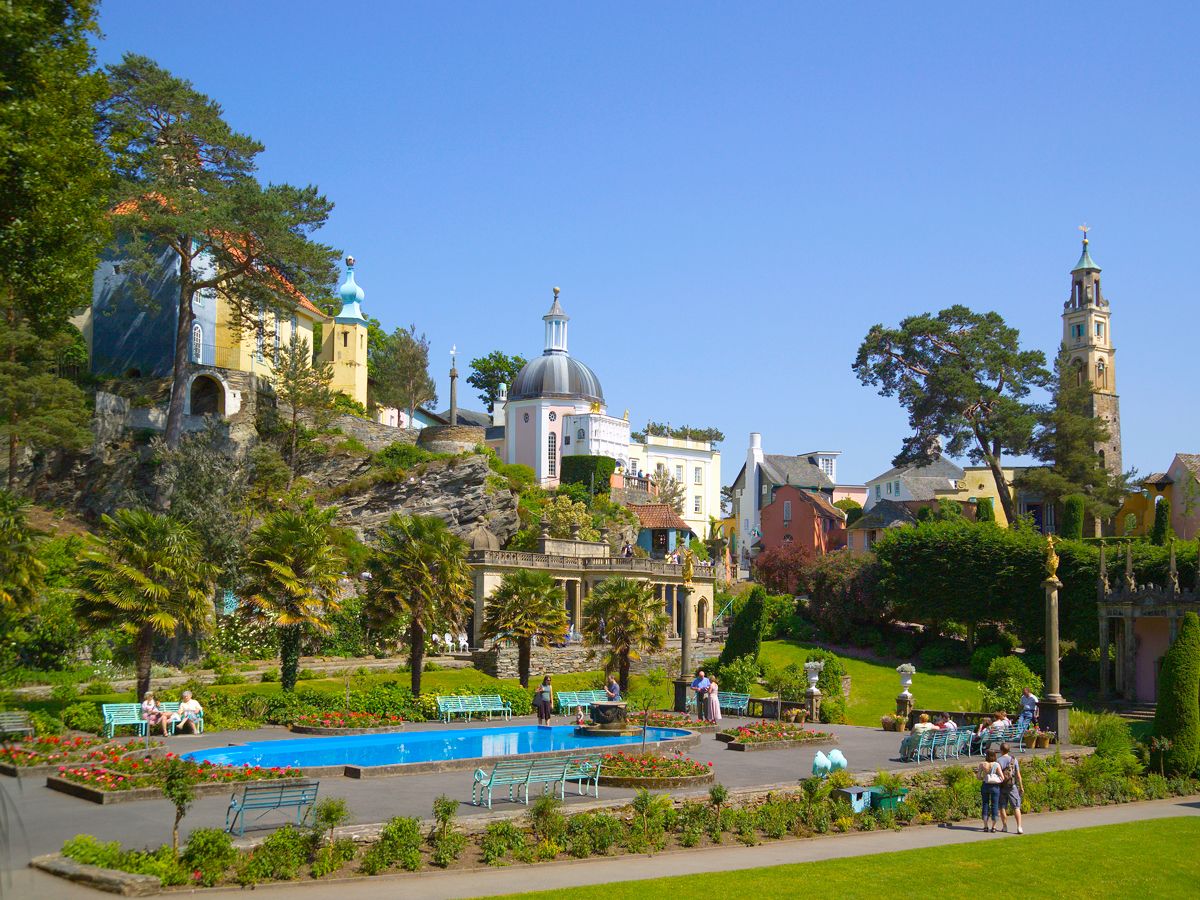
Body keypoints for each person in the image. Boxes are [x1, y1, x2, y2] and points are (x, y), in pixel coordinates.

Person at [997, 741, 1025, 834]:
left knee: (1002, 807)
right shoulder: (1014, 760)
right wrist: (1021, 786)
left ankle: (1005, 826)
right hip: (1012, 785)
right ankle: (1019, 827)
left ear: (1001, 750)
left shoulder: (998, 760)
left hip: (1002, 786)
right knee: (1016, 806)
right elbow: (1018, 775)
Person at [977, 748, 1004, 832]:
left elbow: (978, 776)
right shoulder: (996, 765)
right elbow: (1002, 777)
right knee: (994, 805)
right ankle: (994, 827)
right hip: (995, 787)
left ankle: (985, 825)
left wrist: (983, 778)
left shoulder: (982, 764)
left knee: (985, 804)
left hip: (985, 785)